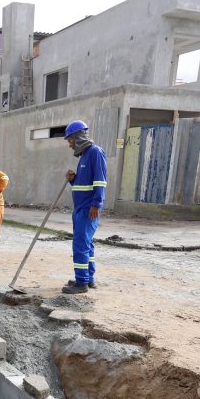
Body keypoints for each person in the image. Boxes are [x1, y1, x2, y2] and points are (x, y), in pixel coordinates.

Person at [62, 120, 107, 294]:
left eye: (70, 140)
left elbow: (100, 182)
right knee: (87, 244)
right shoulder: (84, 155)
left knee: (80, 244)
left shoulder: (95, 153)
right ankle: (88, 278)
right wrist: (73, 179)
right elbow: (83, 186)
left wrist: (96, 204)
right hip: (81, 208)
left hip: (88, 209)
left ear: (77, 137)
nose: (70, 145)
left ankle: (81, 283)